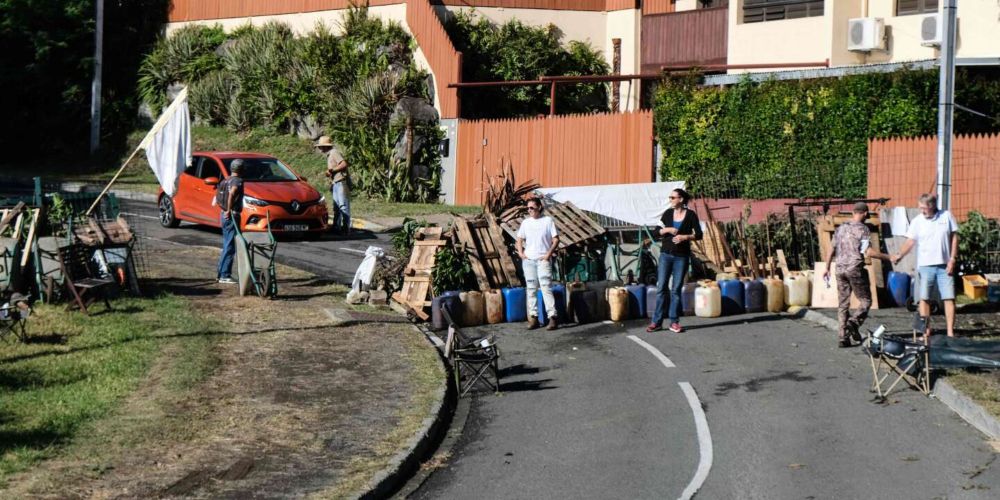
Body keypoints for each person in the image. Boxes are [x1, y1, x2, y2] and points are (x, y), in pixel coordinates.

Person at [893, 193, 960, 338]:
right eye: (920, 207)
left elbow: (954, 237)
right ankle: (926, 329)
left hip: (944, 265)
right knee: (924, 298)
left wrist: (952, 258)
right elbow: (910, 242)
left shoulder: (946, 216)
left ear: (932, 206)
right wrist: (899, 255)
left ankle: (950, 332)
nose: (921, 211)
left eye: (924, 208)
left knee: (949, 297)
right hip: (925, 266)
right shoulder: (917, 221)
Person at [822, 202, 888, 347]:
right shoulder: (863, 229)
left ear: (853, 213)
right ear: (864, 213)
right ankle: (853, 322)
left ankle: (842, 337)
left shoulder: (840, 228)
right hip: (855, 269)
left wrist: (826, 268)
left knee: (843, 304)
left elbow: (831, 249)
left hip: (839, 269)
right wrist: (889, 257)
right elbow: (868, 251)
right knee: (866, 300)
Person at [647, 188, 702, 333]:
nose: (670, 200)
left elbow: (699, 234)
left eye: (673, 197)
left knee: (676, 290)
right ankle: (656, 322)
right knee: (661, 289)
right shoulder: (667, 214)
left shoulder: (690, 215)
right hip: (666, 255)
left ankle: (674, 322)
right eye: (670, 197)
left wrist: (685, 237)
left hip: (681, 257)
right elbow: (655, 232)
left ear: (681, 199)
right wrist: (667, 230)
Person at [516, 197, 560, 331]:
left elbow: (556, 239)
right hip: (529, 260)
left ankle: (552, 317)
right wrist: (520, 253)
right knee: (531, 289)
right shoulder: (526, 223)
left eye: (532, 208)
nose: (530, 210)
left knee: (546, 287)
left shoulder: (547, 221)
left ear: (539, 207)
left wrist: (548, 254)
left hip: (542, 260)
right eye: (528, 208)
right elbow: (519, 239)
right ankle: (533, 318)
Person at [216, 159, 245, 284]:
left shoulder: (225, 179)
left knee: (227, 244)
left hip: (223, 214)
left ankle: (220, 273)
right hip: (231, 215)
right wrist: (229, 210)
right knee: (230, 246)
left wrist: (224, 210)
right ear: (241, 169)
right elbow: (232, 193)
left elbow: (219, 196)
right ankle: (224, 275)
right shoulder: (237, 181)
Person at [317, 136, 351, 234]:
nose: (320, 148)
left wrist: (332, 170)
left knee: (343, 206)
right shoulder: (330, 154)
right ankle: (337, 227)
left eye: (321, 146)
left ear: (325, 146)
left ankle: (345, 228)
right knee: (337, 207)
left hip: (341, 182)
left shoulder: (334, 153)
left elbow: (343, 164)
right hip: (336, 182)